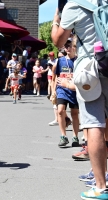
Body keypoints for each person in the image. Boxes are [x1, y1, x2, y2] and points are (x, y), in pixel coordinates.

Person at [51, 0, 108, 198]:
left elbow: (58, 41)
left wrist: (55, 20)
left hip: (90, 70)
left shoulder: (75, 5)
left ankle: (101, 186)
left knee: (94, 125)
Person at [52, 40, 80, 148]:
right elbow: (55, 77)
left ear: (74, 48)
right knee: (60, 111)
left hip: (74, 90)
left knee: (74, 114)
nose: (67, 48)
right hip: (61, 89)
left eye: (70, 46)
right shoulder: (60, 61)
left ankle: (75, 137)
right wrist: (54, 91)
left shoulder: (78, 61)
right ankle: (63, 136)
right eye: (66, 46)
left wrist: (71, 78)